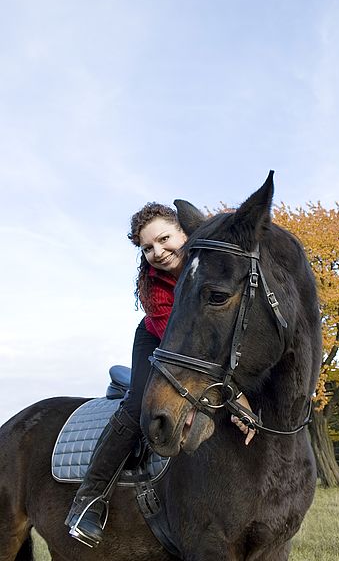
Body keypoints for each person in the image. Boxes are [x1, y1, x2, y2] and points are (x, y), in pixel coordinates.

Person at [65, 202, 254, 548]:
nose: (158, 251)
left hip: (201, 336)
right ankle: (89, 500)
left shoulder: (213, 263)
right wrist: (231, 392)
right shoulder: (153, 287)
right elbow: (185, 346)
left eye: (165, 239)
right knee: (139, 402)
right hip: (163, 338)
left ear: (185, 232)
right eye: (147, 247)